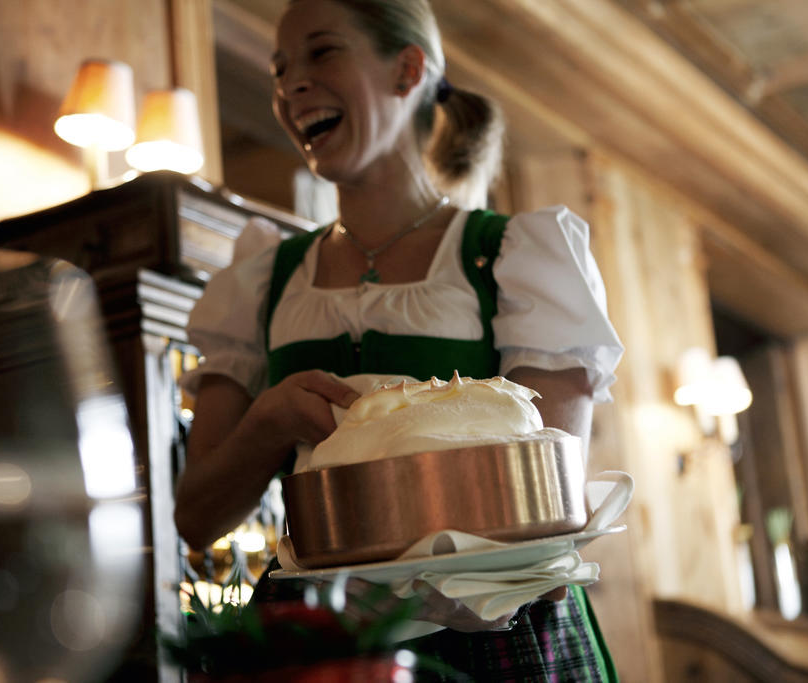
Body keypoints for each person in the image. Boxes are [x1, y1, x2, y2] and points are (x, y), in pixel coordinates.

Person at [174, 0, 624, 679]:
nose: (291, 84)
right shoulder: (260, 279)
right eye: (279, 68)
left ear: (407, 68)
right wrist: (267, 423)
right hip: (326, 636)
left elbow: (553, 529)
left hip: (499, 639)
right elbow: (195, 517)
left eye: (322, 52)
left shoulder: (513, 258)